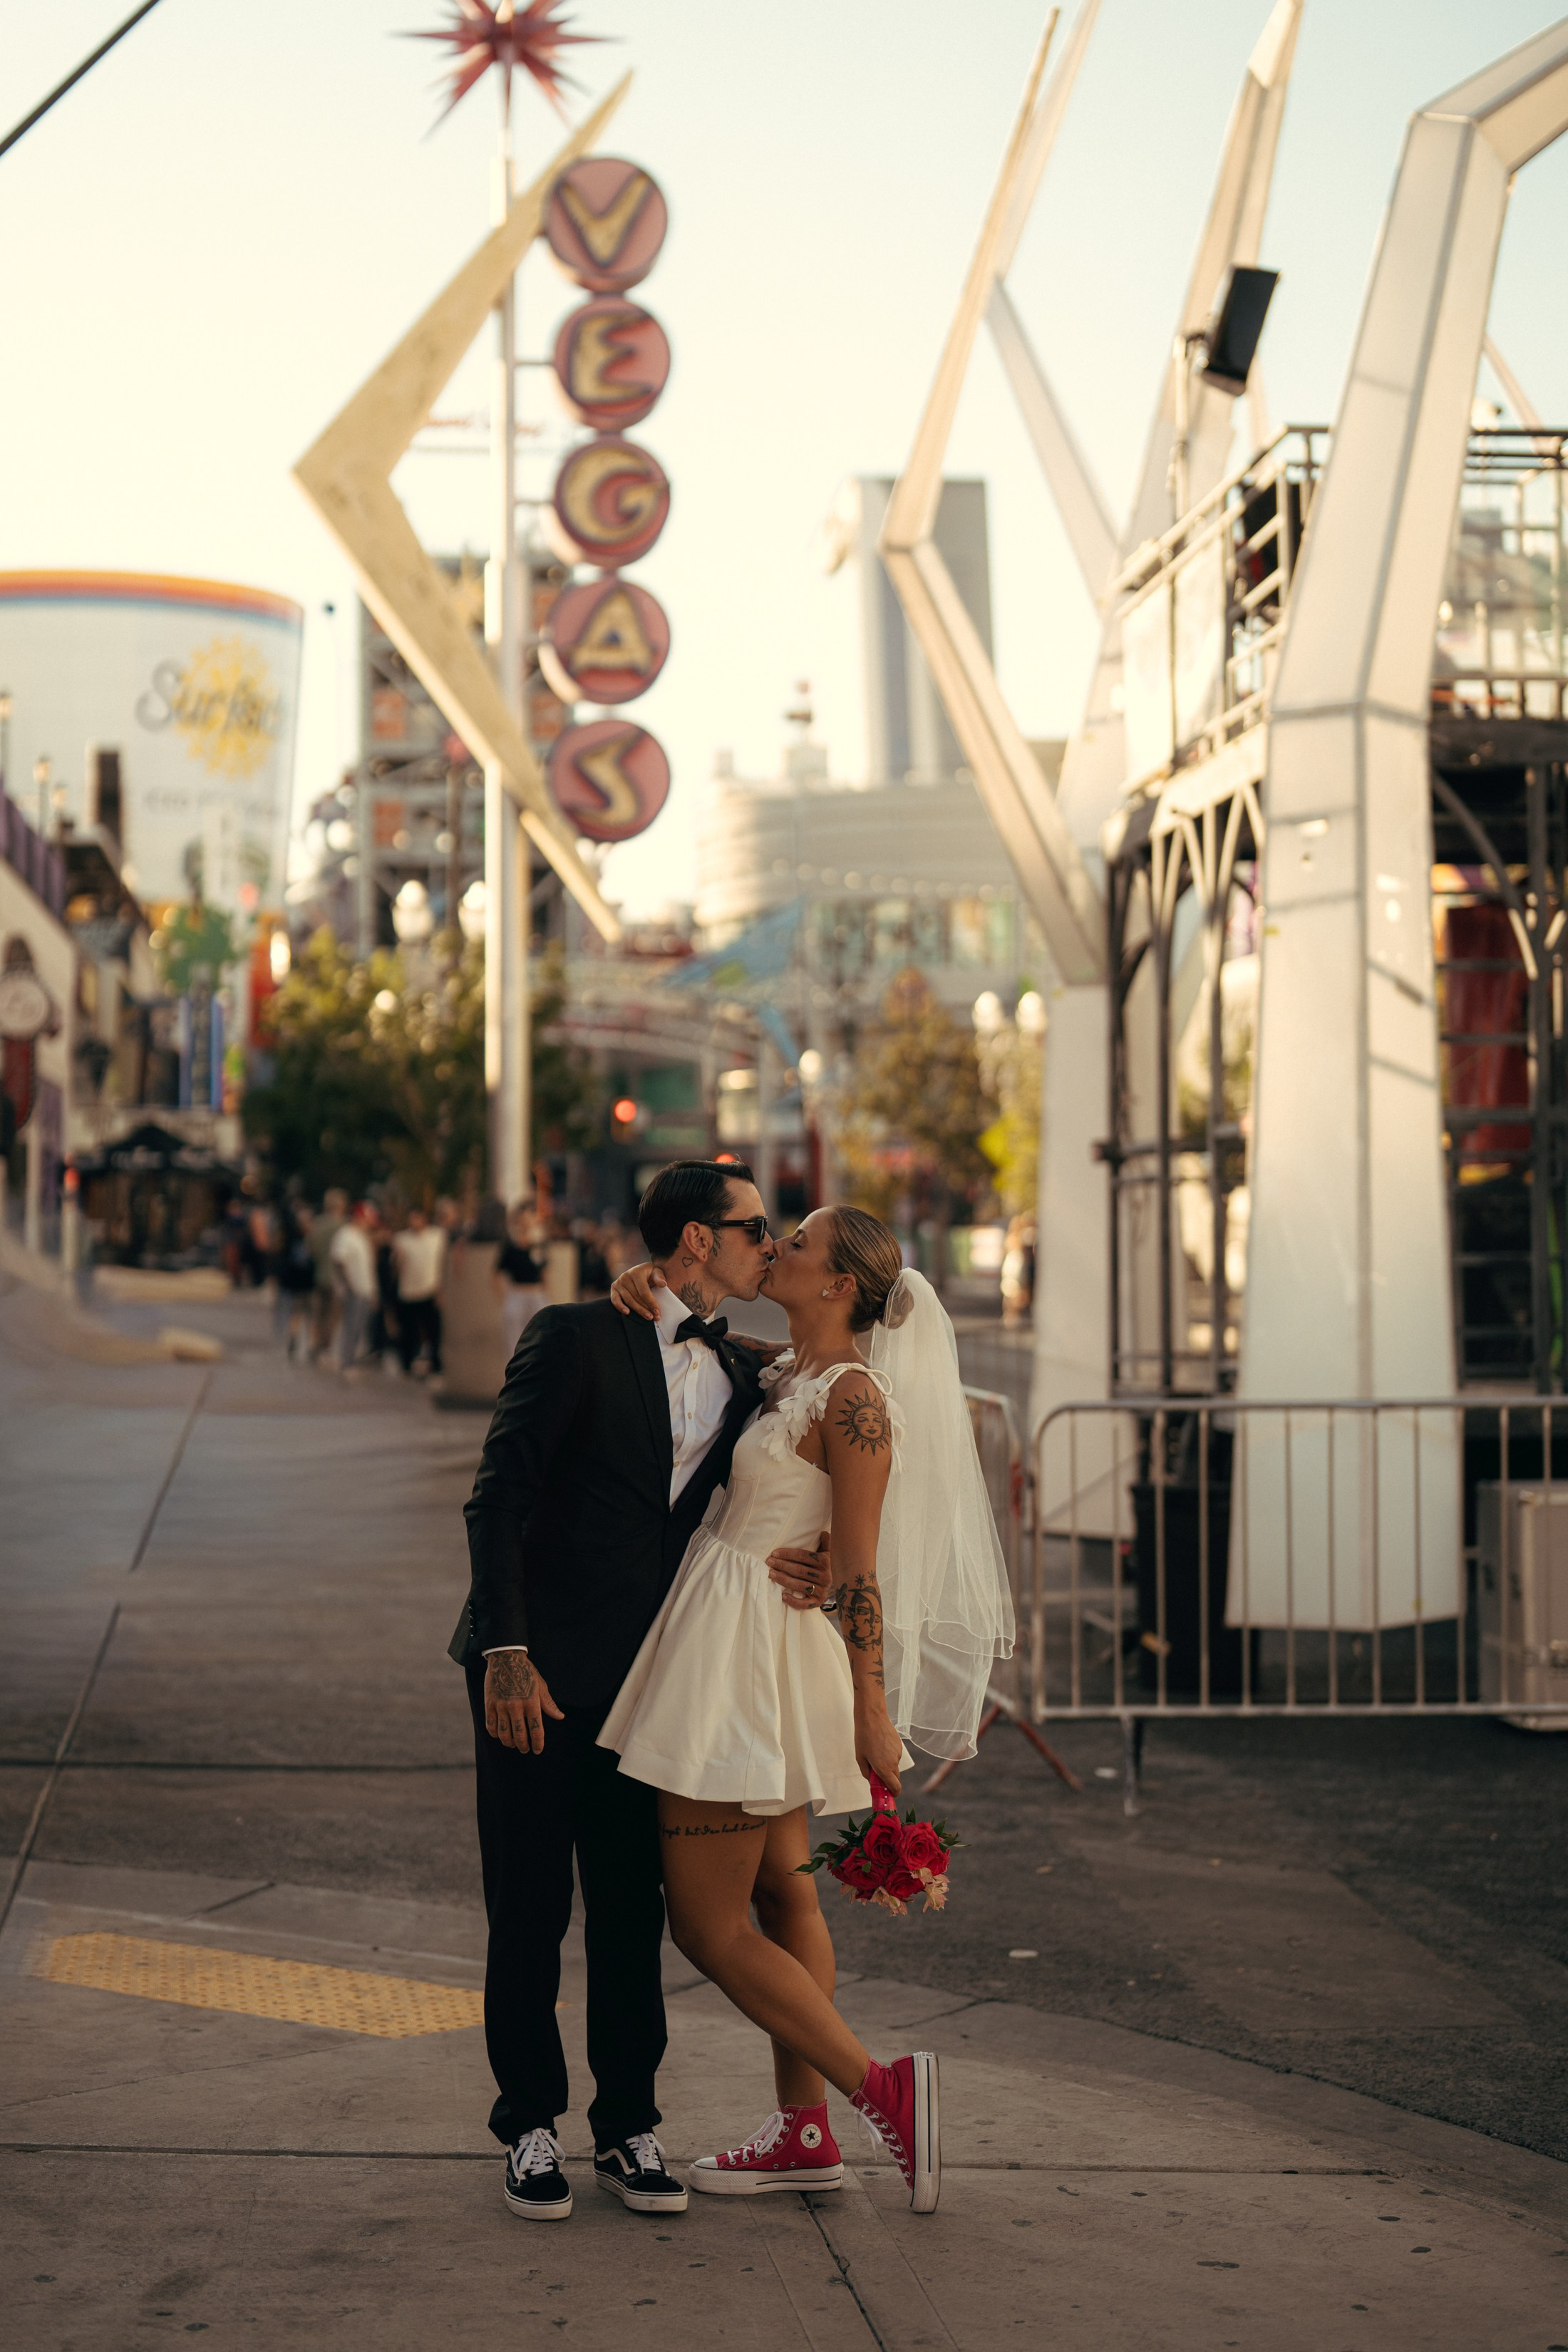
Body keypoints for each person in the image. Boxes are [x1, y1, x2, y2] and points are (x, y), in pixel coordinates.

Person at [604, 1208, 1014, 2215]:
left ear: (839, 1286)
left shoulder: (856, 1400)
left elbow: (864, 1569)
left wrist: (872, 1710)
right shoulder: (788, 1370)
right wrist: (640, 1286)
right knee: (784, 1900)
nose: (777, 1245)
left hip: (745, 1657)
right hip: (736, 1629)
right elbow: (703, 1340)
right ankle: (804, 2133)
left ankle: (881, 2092)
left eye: (799, 1243)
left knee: (707, 1927)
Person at [453, 1160, 830, 2225]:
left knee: (632, 1910)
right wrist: (504, 1652)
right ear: (698, 1242)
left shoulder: (754, 1374)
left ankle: (628, 2125)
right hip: (534, 1676)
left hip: (661, 1681)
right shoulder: (573, 1336)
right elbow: (498, 1500)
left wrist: (828, 1557)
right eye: (757, 1228)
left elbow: (834, 1449)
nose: (773, 1242)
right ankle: (528, 2122)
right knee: (528, 1907)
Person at [392, 1206, 447, 1376]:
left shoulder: (437, 1236)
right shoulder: (401, 1238)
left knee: (433, 1330)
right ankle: (407, 1361)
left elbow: (442, 1263)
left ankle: (434, 1361)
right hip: (408, 1291)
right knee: (408, 1330)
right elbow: (395, 1267)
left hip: (429, 1289)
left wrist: (441, 1289)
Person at [493, 1200, 547, 1358]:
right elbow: (496, 1274)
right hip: (516, 1293)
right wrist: (503, 1299)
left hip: (536, 1294)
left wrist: (546, 1295)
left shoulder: (539, 1243)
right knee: (514, 1341)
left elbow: (544, 1272)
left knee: (540, 1338)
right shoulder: (510, 1245)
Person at [329, 1202, 378, 1372]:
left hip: (364, 1289)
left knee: (359, 1326)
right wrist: (348, 1286)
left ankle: (350, 1359)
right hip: (354, 1290)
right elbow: (339, 1260)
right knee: (351, 1326)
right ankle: (346, 1361)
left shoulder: (361, 1237)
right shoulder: (346, 1235)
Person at [309, 1189, 349, 1360]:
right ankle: (325, 1347)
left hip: (319, 1274)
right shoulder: (344, 1226)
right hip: (337, 1277)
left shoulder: (318, 1223)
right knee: (332, 1316)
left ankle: (315, 1344)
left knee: (319, 1313)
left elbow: (311, 1249)